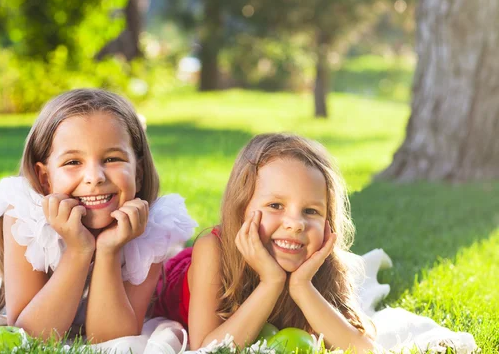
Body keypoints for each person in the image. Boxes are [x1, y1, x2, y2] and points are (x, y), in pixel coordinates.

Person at [0, 88, 196, 343]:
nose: (95, 177)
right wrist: (78, 250)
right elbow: (31, 335)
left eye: (112, 158)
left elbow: (111, 340)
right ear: (45, 178)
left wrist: (109, 250)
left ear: (137, 173)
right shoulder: (25, 215)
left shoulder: (151, 226)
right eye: (73, 162)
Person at [152, 133, 376, 353]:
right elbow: (207, 349)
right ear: (241, 209)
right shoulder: (212, 250)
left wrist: (302, 286)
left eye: (311, 211)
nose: (296, 224)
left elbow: (362, 348)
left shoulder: (322, 266)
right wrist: (271, 282)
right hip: (178, 278)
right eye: (276, 205)